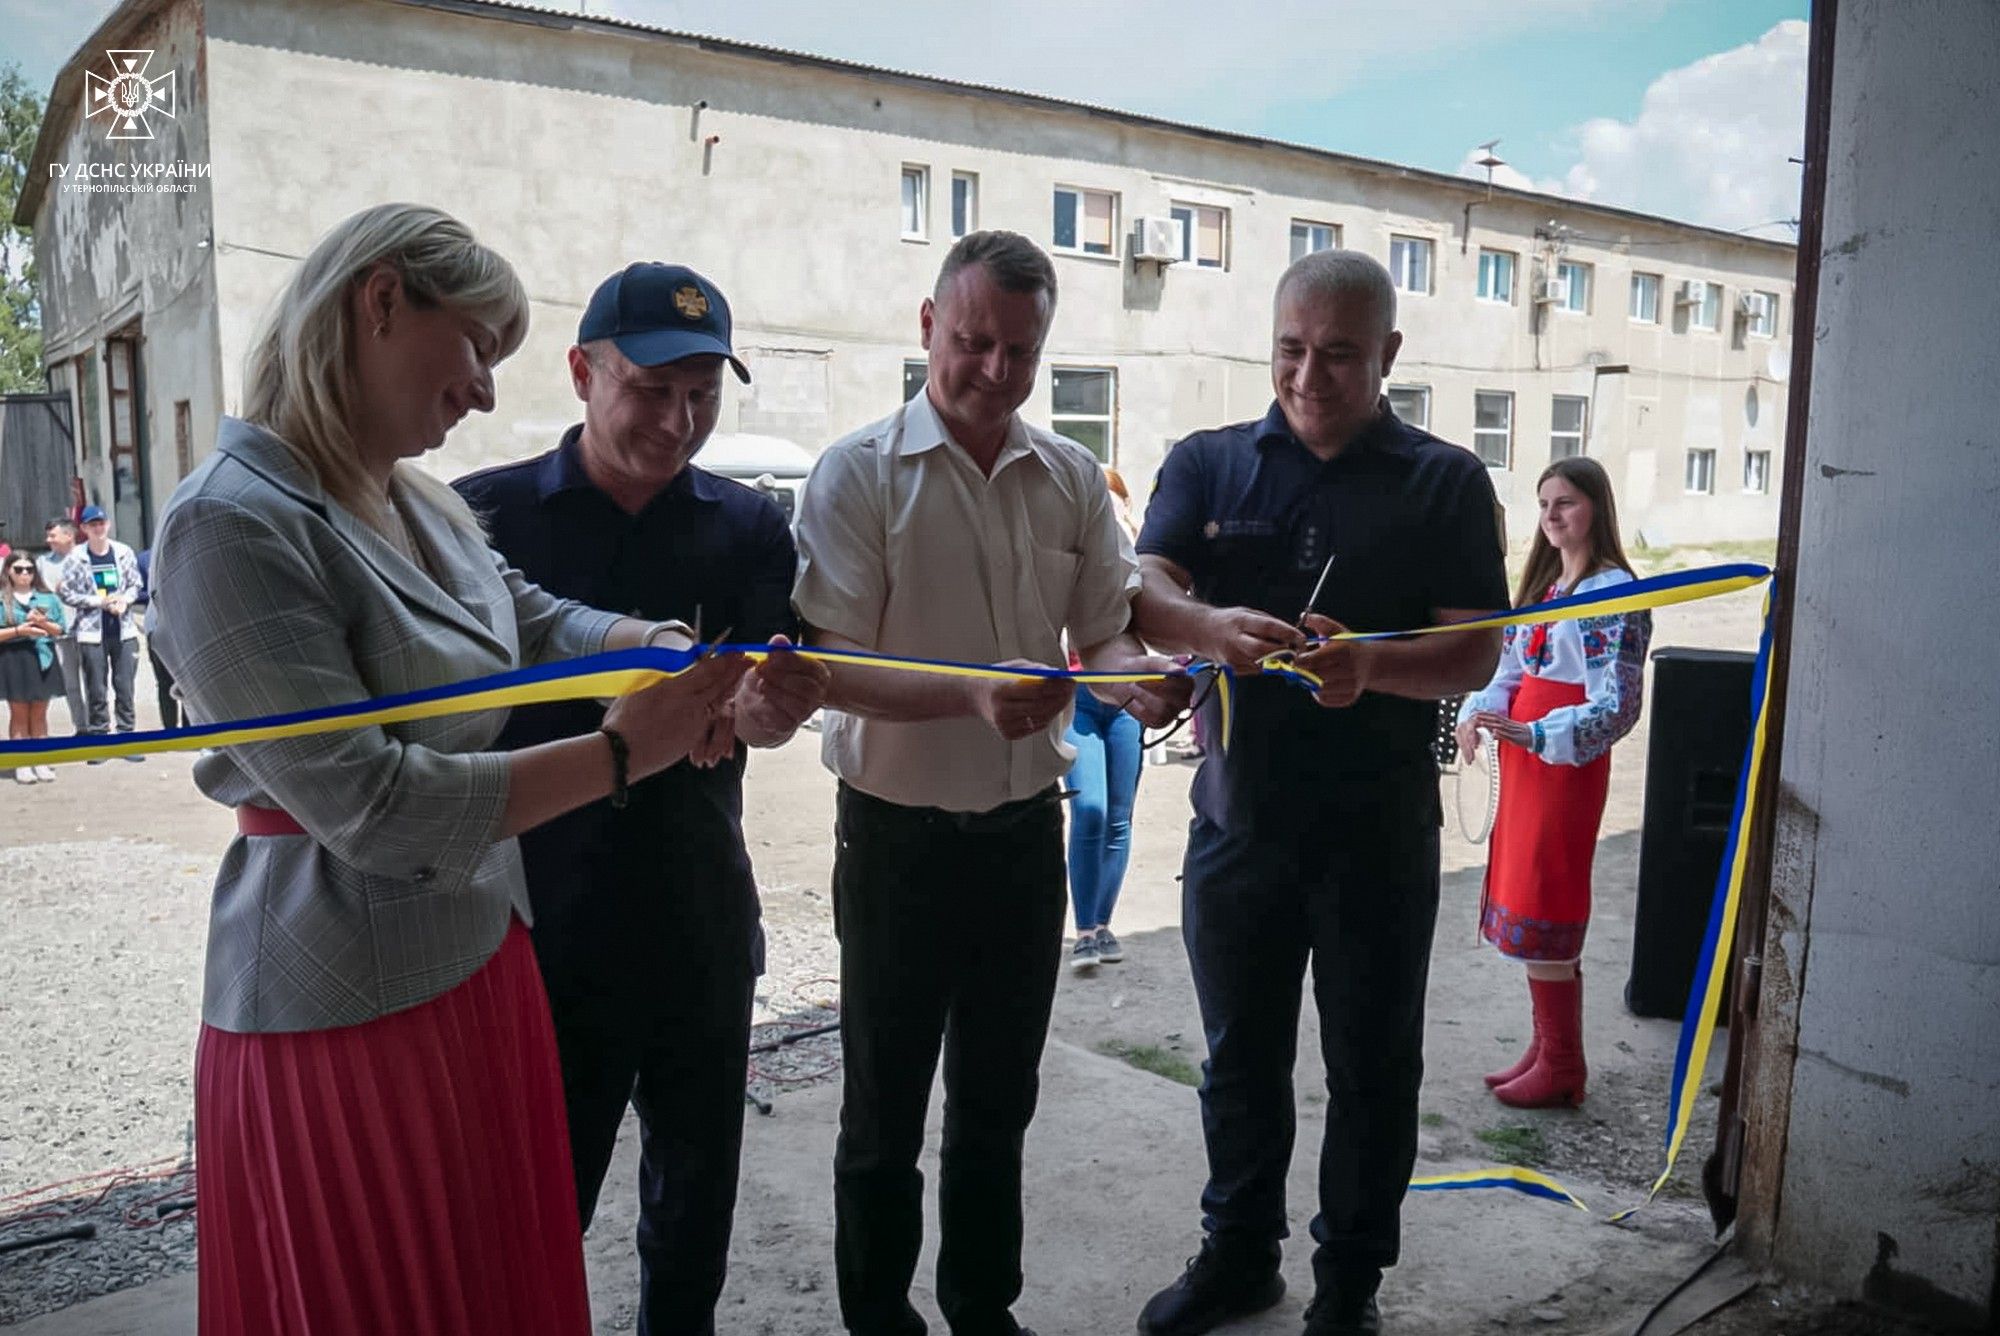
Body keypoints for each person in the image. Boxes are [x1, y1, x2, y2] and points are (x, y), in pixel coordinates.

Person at [148, 203, 749, 1336]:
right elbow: (374, 809)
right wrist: (628, 749)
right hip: (342, 1007)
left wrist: (657, 647)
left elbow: (531, 619)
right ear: (380, 301)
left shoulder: (409, 500)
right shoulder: (227, 524)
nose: (481, 390)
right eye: (476, 345)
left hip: (475, 960)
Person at [792, 230, 1189, 1336]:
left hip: (1020, 836)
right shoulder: (858, 473)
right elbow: (831, 666)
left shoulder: (1069, 476)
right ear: (928, 324)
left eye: (1021, 351)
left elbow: (1103, 635)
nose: (995, 371)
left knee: (997, 1104)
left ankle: (981, 1308)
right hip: (895, 838)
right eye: (973, 342)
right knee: (883, 1111)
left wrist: (1137, 683)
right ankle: (879, 1317)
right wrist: (972, 694)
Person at [1130, 249, 1508, 1336]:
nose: (1307, 377)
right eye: (1290, 350)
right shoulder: (1208, 462)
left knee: (1371, 1071)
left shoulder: (1444, 481)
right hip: (1235, 824)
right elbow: (1142, 587)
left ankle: (1349, 1285)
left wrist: (1370, 665)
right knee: (1237, 1063)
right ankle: (1238, 1255)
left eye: (1338, 355)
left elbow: (1476, 649)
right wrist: (1204, 627)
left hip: (1377, 838)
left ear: (1388, 353)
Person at [453, 261, 830, 1336]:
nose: (678, 422)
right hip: (538, 925)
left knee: (693, 1208)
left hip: (694, 911)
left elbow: (760, 704)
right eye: (651, 391)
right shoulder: (483, 518)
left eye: (702, 395)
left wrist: (765, 711)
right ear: (582, 372)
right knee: (534, 1210)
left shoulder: (748, 528)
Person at [1454, 456, 1650, 1109]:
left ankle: (1563, 1063)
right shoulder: (1549, 588)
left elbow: (1616, 705)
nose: (1552, 515)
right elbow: (1509, 668)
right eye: (1544, 504)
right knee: (1527, 896)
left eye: (1565, 502)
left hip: (1562, 768)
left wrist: (1537, 734)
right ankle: (1548, 1047)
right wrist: (1478, 713)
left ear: (1596, 506)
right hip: (1524, 762)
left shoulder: (1611, 592)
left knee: (1547, 898)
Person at [1065, 464, 1145, 972]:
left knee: (1119, 815)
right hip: (1077, 698)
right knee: (1089, 809)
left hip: (1127, 703)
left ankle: (1102, 924)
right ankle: (1084, 931)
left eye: (1111, 498)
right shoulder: (1070, 549)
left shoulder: (1143, 559)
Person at [58, 505, 144, 757]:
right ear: (84, 528)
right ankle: (99, 741)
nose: (98, 528)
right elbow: (67, 592)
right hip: (91, 632)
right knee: (96, 688)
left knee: (125, 686)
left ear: (108, 524)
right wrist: (99, 602)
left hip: (123, 630)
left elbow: (135, 584)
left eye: (101, 523)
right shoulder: (76, 557)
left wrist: (124, 601)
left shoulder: (123, 552)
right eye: (92, 524)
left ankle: (126, 738)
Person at [1, 554, 67, 783]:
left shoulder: (48, 598)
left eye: (29, 569)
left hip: (43, 656)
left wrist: (41, 622)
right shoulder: (2, 598)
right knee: (19, 713)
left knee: (40, 712)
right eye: (18, 569)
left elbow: (61, 629)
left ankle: (40, 760)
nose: (24, 574)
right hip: (13, 657)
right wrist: (20, 630)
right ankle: (22, 762)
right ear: (8, 571)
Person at [36, 519, 88, 734]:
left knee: (94, 681)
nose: (48, 540)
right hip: (59, 632)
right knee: (71, 684)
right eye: (48, 535)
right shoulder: (42, 563)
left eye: (53, 535)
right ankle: (81, 727)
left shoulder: (86, 557)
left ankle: (98, 725)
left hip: (87, 630)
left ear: (69, 535)